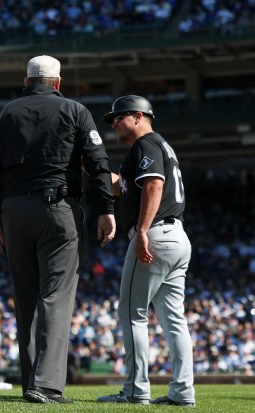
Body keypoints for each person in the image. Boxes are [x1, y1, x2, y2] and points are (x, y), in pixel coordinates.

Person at [0, 55, 116, 404]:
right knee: (55, 297)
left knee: (25, 299)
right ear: (57, 82)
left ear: (26, 82)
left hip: (13, 211)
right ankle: (47, 385)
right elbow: (98, 165)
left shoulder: (3, 114)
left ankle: (30, 383)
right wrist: (106, 208)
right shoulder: (75, 110)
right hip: (58, 209)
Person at [97, 95, 195, 406]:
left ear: (139, 116)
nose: (114, 123)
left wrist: (140, 231)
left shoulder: (146, 143)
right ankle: (182, 393)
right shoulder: (157, 146)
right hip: (176, 235)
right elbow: (123, 186)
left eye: (119, 117)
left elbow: (153, 184)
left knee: (131, 314)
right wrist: (92, 168)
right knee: (173, 319)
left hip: (154, 235)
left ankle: (136, 390)